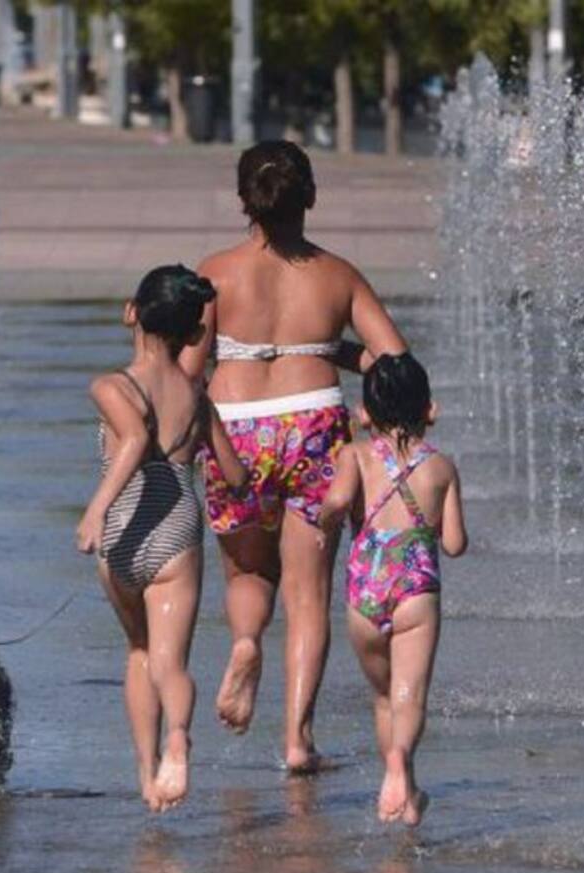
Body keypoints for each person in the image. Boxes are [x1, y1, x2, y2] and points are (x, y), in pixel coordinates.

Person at [179, 140, 408, 772]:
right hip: (314, 427)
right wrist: (335, 353)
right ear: (310, 196)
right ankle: (298, 741)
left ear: (243, 202)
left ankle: (248, 641)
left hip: (235, 431)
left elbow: (191, 372)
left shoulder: (216, 272)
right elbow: (395, 361)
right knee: (309, 595)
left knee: (250, 574)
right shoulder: (338, 275)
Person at [77, 265, 249, 812]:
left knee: (139, 652)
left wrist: (95, 512)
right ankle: (179, 737)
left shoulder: (110, 386)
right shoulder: (197, 392)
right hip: (175, 526)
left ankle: (148, 775)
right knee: (171, 662)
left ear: (132, 312)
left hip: (123, 532)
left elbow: (132, 439)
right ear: (194, 334)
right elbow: (236, 474)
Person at [316, 353, 467, 825]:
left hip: (365, 590)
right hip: (416, 589)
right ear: (430, 411)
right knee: (411, 696)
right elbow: (455, 544)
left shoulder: (355, 456)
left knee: (384, 698)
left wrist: (326, 525)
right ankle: (401, 762)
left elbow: (338, 501)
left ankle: (400, 777)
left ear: (364, 414)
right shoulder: (441, 467)